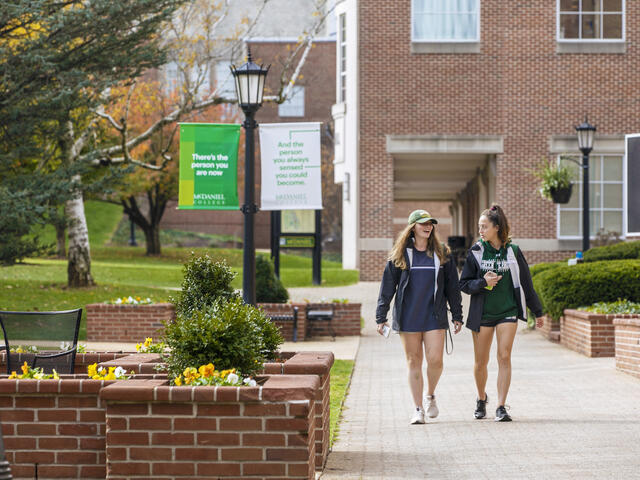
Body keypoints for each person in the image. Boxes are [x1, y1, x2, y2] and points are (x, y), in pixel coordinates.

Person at [376, 209, 463, 425]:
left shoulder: (442, 253)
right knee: (413, 361)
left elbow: (453, 287)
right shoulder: (401, 254)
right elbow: (387, 287)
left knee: (435, 360)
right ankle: (418, 409)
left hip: (434, 315)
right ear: (412, 227)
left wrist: (458, 315)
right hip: (408, 316)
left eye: (430, 223)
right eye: (423, 223)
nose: (428, 226)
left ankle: (430, 394)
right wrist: (381, 316)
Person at [459, 204, 544, 422]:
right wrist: (482, 283)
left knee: (504, 356)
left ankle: (501, 406)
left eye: (484, 226)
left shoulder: (513, 252)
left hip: (508, 310)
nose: (480, 230)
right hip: (483, 314)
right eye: (479, 227)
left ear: (496, 227)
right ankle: (481, 398)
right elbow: (464, 284)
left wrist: (538, 312)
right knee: (481, 362)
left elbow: (526, 283)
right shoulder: (476, 252)